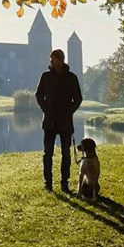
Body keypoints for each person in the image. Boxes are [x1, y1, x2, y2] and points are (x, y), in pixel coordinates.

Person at [35, 49, 82, 192]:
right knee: (47, 154)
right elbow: (38, 95)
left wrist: (69, 111)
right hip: (49, 121)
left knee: (66, 154)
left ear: (60, 61)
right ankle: (48, 183)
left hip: (65, 121)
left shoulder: (72, 78)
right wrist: (46, 109)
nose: (51, 61)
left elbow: (78, 99)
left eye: (53, 59)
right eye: (51, 59)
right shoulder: (46, 76)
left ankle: (64, 184)